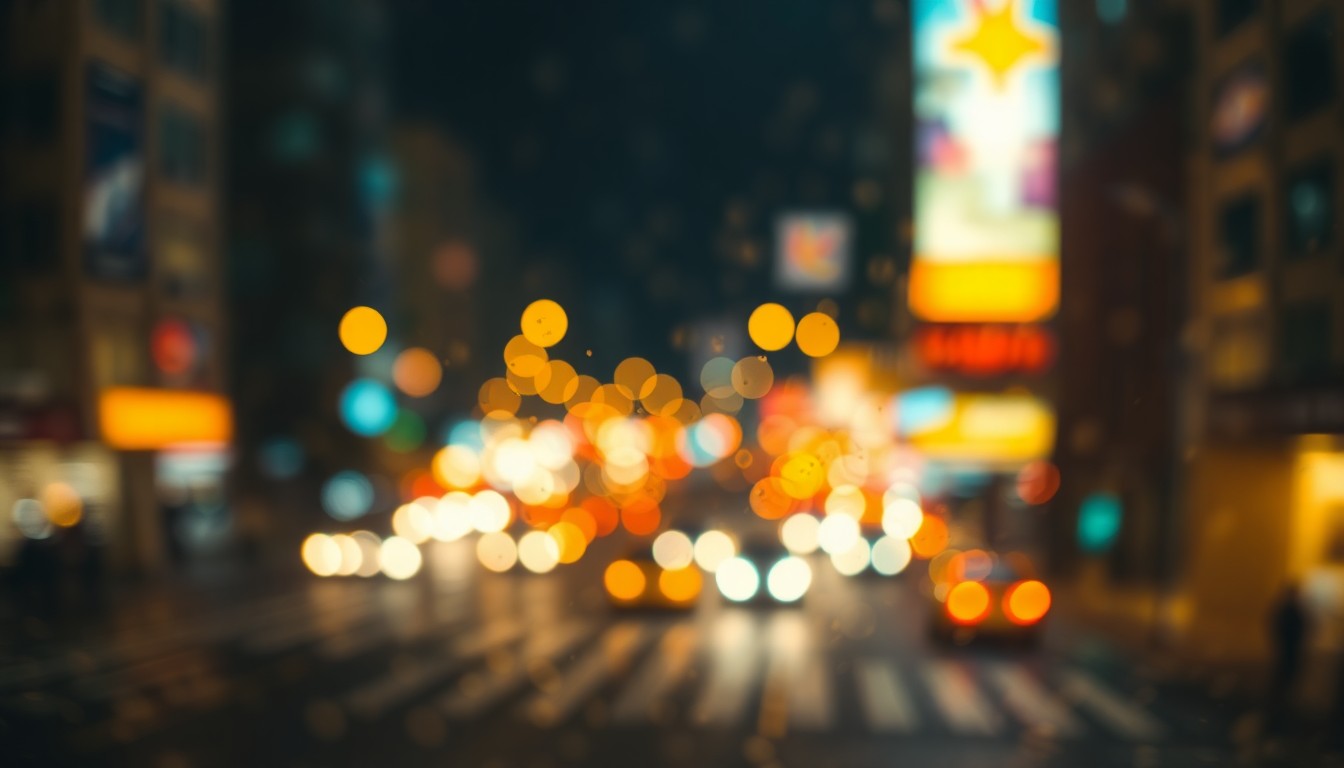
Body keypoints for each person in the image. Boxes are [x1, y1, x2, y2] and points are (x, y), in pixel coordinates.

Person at [1266, 582, 1308, 732]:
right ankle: (1279, 703)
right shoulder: (1289, 609)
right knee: (1284, 674)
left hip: (1289, 647)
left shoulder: (1288, 608)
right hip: (1290, 647)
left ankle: (1279, 702)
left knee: (1284, 674)